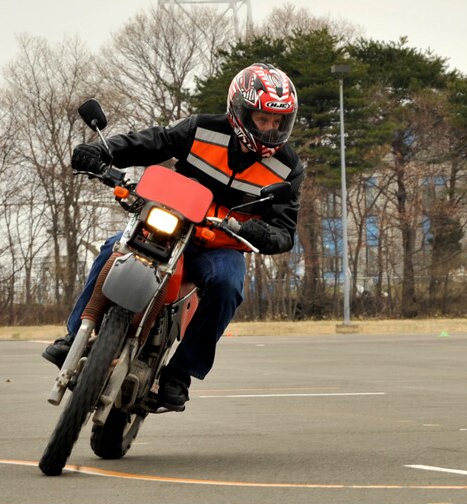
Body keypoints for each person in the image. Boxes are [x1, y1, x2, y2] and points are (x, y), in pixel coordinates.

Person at [42, 63, 305, 412]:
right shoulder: (202, 129)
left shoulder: (288, 167)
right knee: (111, 248)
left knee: (228, 285)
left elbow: (285, 230)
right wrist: (104, 152)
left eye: (279, 121)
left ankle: (181, 373)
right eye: (263, 119)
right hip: (170, 225)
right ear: (240, 111)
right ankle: (76, 335)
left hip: (219, 245)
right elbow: (153, 142)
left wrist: (257, 231)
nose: (271, 129)